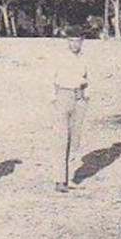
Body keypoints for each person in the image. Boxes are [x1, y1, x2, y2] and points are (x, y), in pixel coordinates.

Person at [52, 33, 90, 192]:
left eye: (78, 41)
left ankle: (71, 177)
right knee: (62, 138)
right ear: (67, 41)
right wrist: (54, 99)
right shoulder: (60, 57)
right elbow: (50, 78)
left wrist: (85, 96)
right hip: (63, 95)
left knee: (75, 139)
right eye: (72, 41)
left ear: (82, 42)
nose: (75, 44)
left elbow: (87, 78)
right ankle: (59, 180)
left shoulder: (84, 58)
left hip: (79, 97)